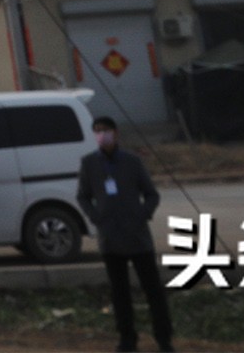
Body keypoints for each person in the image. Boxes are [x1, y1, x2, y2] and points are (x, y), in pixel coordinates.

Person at [76, 116, 171, 352]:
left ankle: (164, 338)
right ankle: (127, 339)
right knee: (120, 293)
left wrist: (142, 215)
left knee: (153, 291)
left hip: (137, 236)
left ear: (115, 133)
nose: (101, 135)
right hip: (110, 238)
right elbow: (83, 196)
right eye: (97, 131)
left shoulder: (132, 162)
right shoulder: (89, 163)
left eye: (105, 130)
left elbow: (151, 194)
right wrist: (96, 216)